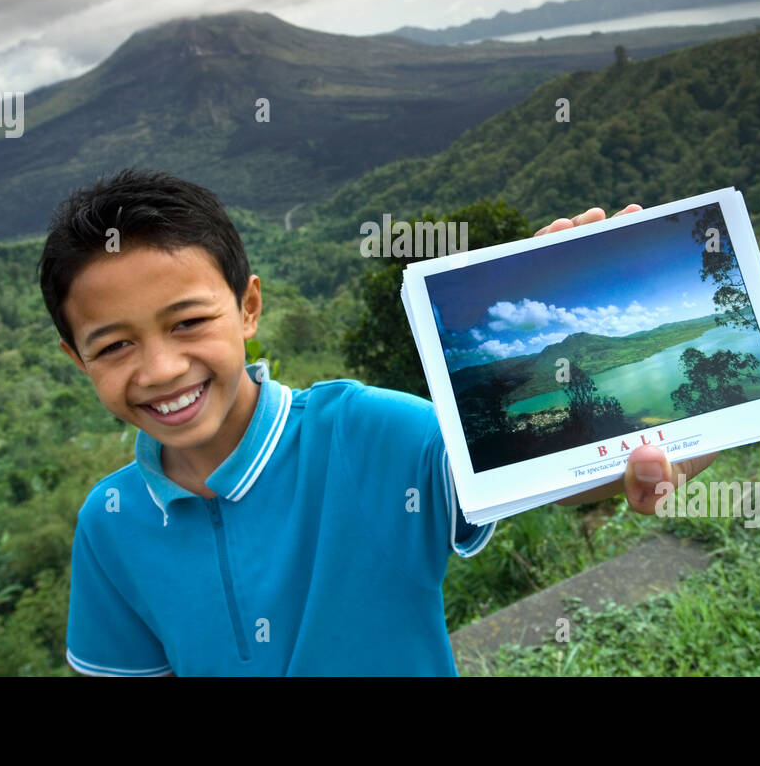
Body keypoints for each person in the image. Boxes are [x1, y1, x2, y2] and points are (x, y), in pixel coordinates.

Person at [38, 168, 715, 675]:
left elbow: (527, 468)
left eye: (188, 322)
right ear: (76, 358)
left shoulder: (370, 432)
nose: (159, 369)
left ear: (248, 308)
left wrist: (660, 443)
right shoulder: (111, 522)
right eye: (115, 344)